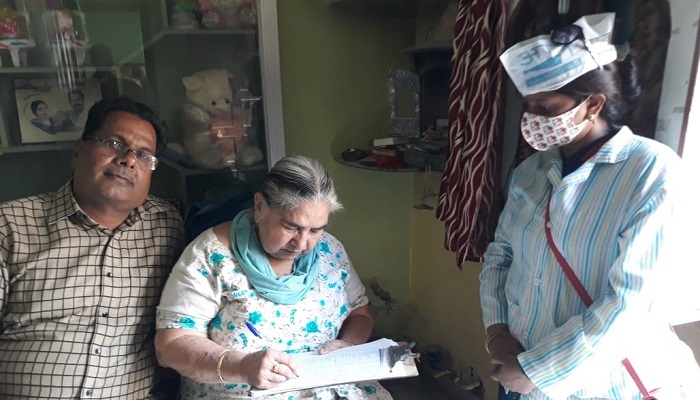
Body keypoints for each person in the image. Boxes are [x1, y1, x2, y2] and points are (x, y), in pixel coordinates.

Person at [480, 13, 700, 400]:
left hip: (605, 384)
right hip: (519, 368)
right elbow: (500, 255)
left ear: (593, 103)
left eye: (546, 108)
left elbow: (634, 301)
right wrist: (497, 333)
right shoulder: (530, 172)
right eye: (528, 106)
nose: (533, 120)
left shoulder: (651, 171)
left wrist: (539, 370)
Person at [154, 155, 393, 400]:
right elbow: (170, 346)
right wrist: (241, 366)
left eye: (315, 230)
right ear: (259, 206)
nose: (302, 243)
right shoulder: (211, 255)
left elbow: (360, 315)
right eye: (291, 227)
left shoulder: (330, 250)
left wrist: (349, 346)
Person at [0, 97, 185, 399]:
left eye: (143, 155)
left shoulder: (166, 226)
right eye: (115, 144)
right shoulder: (10, 225)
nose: (128, 160)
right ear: (79, 150)